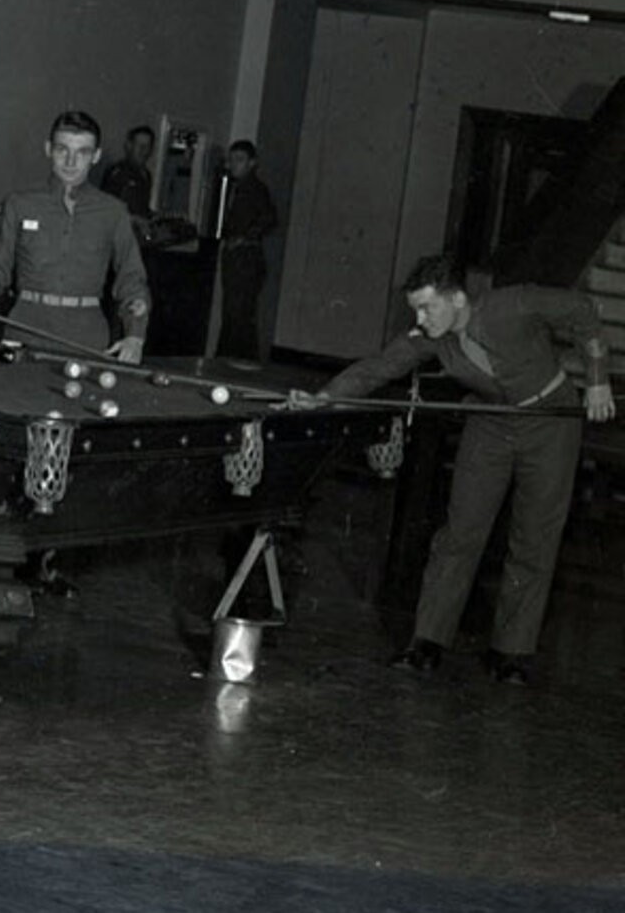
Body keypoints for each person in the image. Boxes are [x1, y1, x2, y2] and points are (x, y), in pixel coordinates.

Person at [295, 254, 611, 686]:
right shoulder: (432, 338)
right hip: (491, 421)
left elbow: (582, 310)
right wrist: (323, 398)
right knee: (460, 533)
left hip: (550, 421)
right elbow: (379, 366)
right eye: (416, 311)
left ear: (457, 299)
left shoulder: (512, 304)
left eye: (427, 308)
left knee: (534, 537)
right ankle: (426, 642)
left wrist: (598, 378)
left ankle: (511, 653)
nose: (420, 320)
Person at [0, 110, 150, 364]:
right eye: (62, 150)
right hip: (24, 331)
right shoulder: (19, 204)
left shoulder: (113, 212)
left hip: (86, 339)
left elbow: (131, 279)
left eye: (82, 152)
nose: (71, 161)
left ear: (96, 156)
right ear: (48, 149)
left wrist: (135, 334)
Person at [214, 139, 277, 360]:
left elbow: (269, 218)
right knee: (236, 312)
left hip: (245, 257)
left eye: (239, 160)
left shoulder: (255, 189)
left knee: (238, 313)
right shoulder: (238, 188)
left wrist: (244, 238)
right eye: (231, 160)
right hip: (237, 255)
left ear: (252, 163)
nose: (233, 165)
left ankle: (233, 359)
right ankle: (234, 359)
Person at [100, 123, 156, 222]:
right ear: (129, 146)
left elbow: (142, 208)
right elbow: (106, 208)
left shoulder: (145, 175)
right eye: (140, 146)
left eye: (147, 146)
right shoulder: (117, 173)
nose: (143, 151)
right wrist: (132, 218)